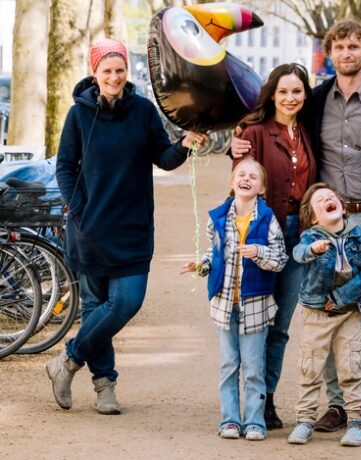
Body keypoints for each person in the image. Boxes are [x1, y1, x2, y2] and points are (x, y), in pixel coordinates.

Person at [232, 19, 361, 436]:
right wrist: (238, 136)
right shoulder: (315, 100)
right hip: (324, 225)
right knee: (329, 311)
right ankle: (337, 405)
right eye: (339, 47)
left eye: (354, 46)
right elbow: (274, 119)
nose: (347, 53)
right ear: (329, 54)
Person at [48, 38, 207, 414]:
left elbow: (164, 158)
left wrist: (185, 144)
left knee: (126, 302)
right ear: (95, 73)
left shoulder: (143, 111)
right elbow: (64, 166)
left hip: (133, 227)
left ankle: (67, 360)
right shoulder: (78, 115)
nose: (114, 77)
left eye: (120, 70)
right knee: (95, 307)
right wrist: (79, 210)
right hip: (90, 229)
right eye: (107, 70)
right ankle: (105, 386)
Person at [232, 63, 317, 430]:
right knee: (257, 322)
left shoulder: (309, 132)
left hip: (300, 235)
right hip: (263, 234)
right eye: (283, 91)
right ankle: (249, 400)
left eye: (297, 91)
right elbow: (241, 182)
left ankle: (267, 399)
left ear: (305, 95)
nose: (290, 98)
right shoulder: (254, 132)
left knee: (281, 324)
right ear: (272, 95)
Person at [182, 158, 288, 441]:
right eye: (241, 174)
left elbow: (280, 260)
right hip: (225, 304)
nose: (246, 179)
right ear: (232, 182)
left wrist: (258, 252)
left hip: (255, 307)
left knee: (253, 368)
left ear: (261, 188)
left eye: (253, 177)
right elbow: (213, 254)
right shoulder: (218, 217)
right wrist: (200, 266)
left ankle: (254, 422)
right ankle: (229, 420)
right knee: (229, 365)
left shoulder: (267, 219)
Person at [286, 182, 361, 447]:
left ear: (342, 206)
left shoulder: (360, 236)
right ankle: (305, 420)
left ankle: (356, 423)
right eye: (320, 201)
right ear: (314, 217)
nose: (327, 199)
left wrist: (342, 297)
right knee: (310, 366)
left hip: (348, 312)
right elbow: (298, 254)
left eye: (331, 197)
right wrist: (312, 250)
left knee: (351, 366)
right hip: (317, 313)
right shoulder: (311, 237)